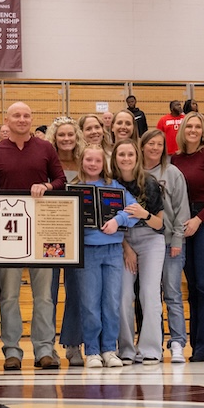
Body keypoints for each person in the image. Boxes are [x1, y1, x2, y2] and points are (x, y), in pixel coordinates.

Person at [0, 101, 66, 371]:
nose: (22, 119)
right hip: (9, 235)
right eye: (17, 115)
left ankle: (44, 350)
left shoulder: (46, 148)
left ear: (32, 119)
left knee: (45, 296)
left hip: (43, 230)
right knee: (10, 295)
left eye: (27, 115)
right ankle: (12, 351)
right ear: (7, 119)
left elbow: (61, 180)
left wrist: (47, 185)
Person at [74, 146, 137, 367]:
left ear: (104, 164)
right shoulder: (74, 188)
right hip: (87, 251)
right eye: (88, 159)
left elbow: (134, 209)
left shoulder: (114, 187)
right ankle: (92, 350)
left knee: (111, 302)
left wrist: (117, 221)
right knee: (90, 302)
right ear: (81, 161)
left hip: (112, 250)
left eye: (97, 160)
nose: (92, 164)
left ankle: (110, 349)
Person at [171, 112, 204, 361]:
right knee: (191, 286)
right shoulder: (175, 159)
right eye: (189, 126)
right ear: (182, 130)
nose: (193, 130)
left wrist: (198, 219)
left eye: (197, 126)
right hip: (181, 220)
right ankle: (194, 345)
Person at [112, 140, 165, 365]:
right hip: (121, 243)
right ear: (115, 158)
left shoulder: (149, 183)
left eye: (130, 154)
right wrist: (126, 248)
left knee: (149, 293)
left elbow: (160, 224)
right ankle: (125, 348)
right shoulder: (109, 185)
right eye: (121, 154)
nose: (126, 158)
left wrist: (144, 214)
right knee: (124, 295)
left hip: (151, 240)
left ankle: (151, 348)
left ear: (137, 157)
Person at [140, 129, 190, 363]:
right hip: (144, 242)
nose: (155, 148)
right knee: (149, 296)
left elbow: (182, 209)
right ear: (142, 146)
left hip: (170, 242)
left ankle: (178, 342)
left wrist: (178, 239)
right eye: (151, 143)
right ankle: (153, 345)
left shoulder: (172, 173)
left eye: (159, 144)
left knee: (172, 294)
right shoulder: (135, 173)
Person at [47, 117, 85, 366]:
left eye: (71, 134)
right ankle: (46, 345)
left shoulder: (85, 161)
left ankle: (73, 345)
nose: (66, 139)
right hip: (50, 235)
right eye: (62, 135)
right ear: (54, 137)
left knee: (77, 292)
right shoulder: (47, 163)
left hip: (79, 237)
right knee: (47, 293)